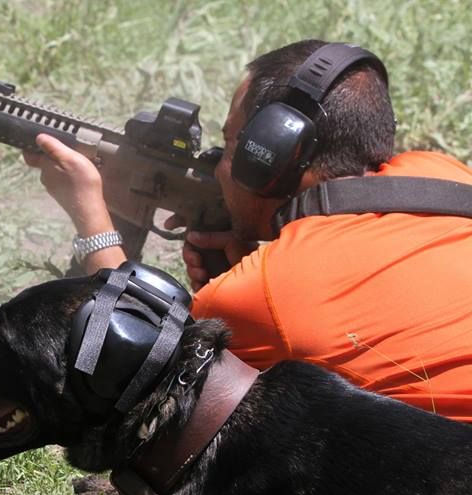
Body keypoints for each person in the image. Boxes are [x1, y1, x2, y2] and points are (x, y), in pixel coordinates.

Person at [23, 39, 472, 422]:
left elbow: (123, 361)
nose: (220, 164)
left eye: (232, 144)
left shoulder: (266, 290)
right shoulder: (443, 174)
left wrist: (90, 214)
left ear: (267, 159)